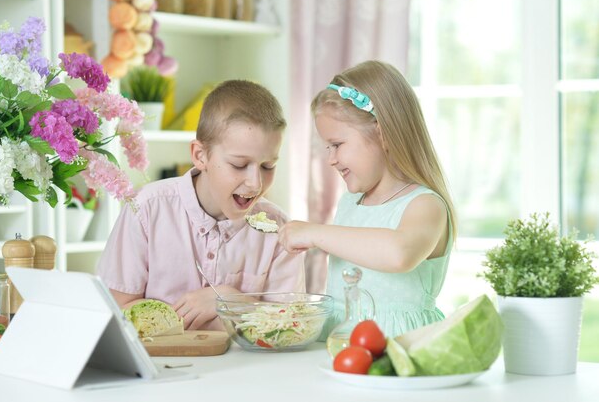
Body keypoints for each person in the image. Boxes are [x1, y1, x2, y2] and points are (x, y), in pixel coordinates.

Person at [98, 80, 306, 330]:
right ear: (200, 156)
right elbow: (115, 310)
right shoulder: (146, 209)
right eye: (239, 165)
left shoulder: (279, 231)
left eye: (267, 166)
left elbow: (289, 325)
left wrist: (230, 300)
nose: (255, 183)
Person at [278, 60, 457, 339]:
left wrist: (314, 232)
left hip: (402, 349)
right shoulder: (350, 204)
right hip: (340, 343)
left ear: (382, 133)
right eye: (327, 147)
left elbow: (400, 254)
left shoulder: (425, 205)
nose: (331, 159)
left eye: (337, 145)